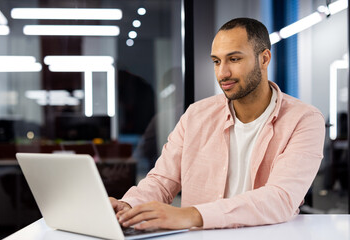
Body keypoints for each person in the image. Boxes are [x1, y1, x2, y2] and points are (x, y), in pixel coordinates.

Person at [109, 17, 325, 230]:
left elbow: (281, 198)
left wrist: (191, 215)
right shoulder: (196, 115)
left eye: (234, 59)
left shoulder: (304, 120)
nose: (223, 73)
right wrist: (128, 206)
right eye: (216, 61)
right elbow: (161, 180)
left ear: (264, 59)